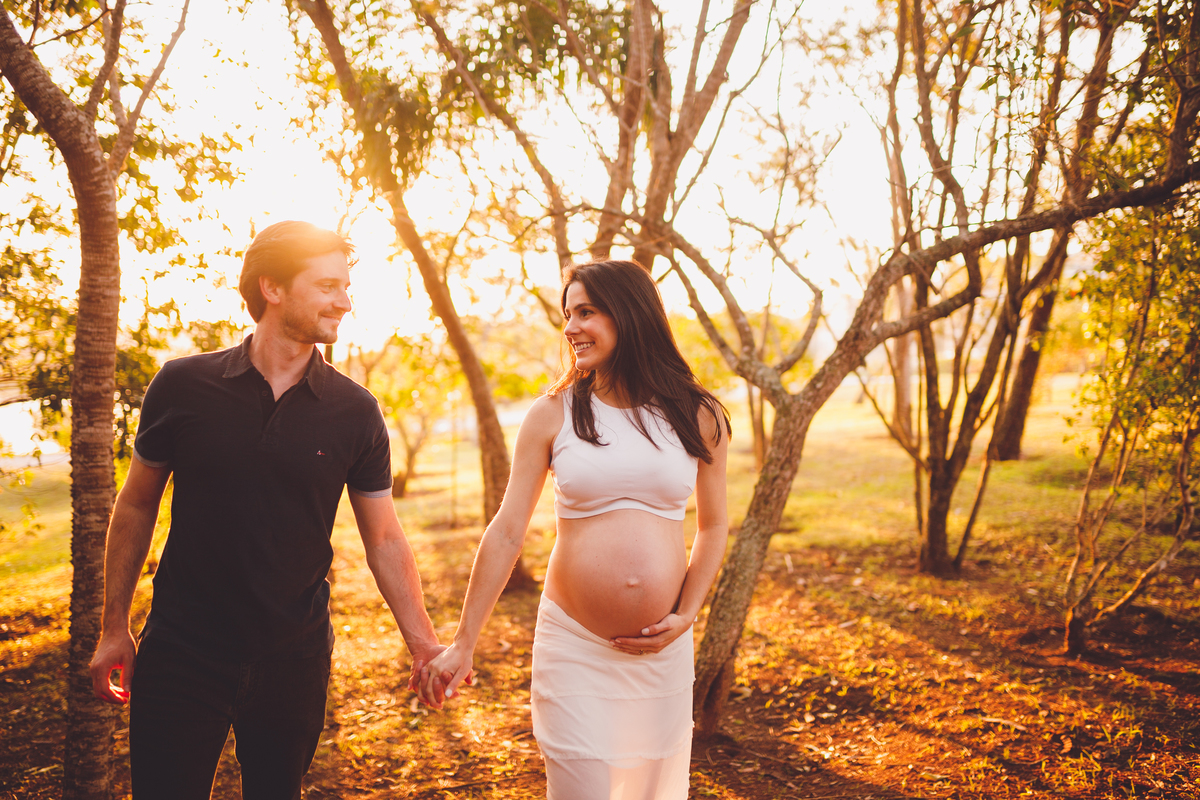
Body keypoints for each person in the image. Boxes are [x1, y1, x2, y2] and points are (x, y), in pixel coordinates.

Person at [88, 221, 444, 800]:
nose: (344, 302)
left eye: (346, 287)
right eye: (327, 286)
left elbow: (383, 537)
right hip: (181, 652)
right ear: (272, 287)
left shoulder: (355, 411)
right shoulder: (181, 385)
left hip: (293, 660)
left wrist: (423, 643)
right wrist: (113, 627)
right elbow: (135, 505)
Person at [420, 259, 730, 799]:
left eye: (585, 312)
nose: (570, 328)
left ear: (629, 313)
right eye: (568, 315)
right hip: (574, 647)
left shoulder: (697, 413)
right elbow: (507, 530)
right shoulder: (553, 413)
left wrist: (687, 614)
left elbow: (715, 524)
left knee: (652, 791)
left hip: (662, 655)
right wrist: (464, 642)